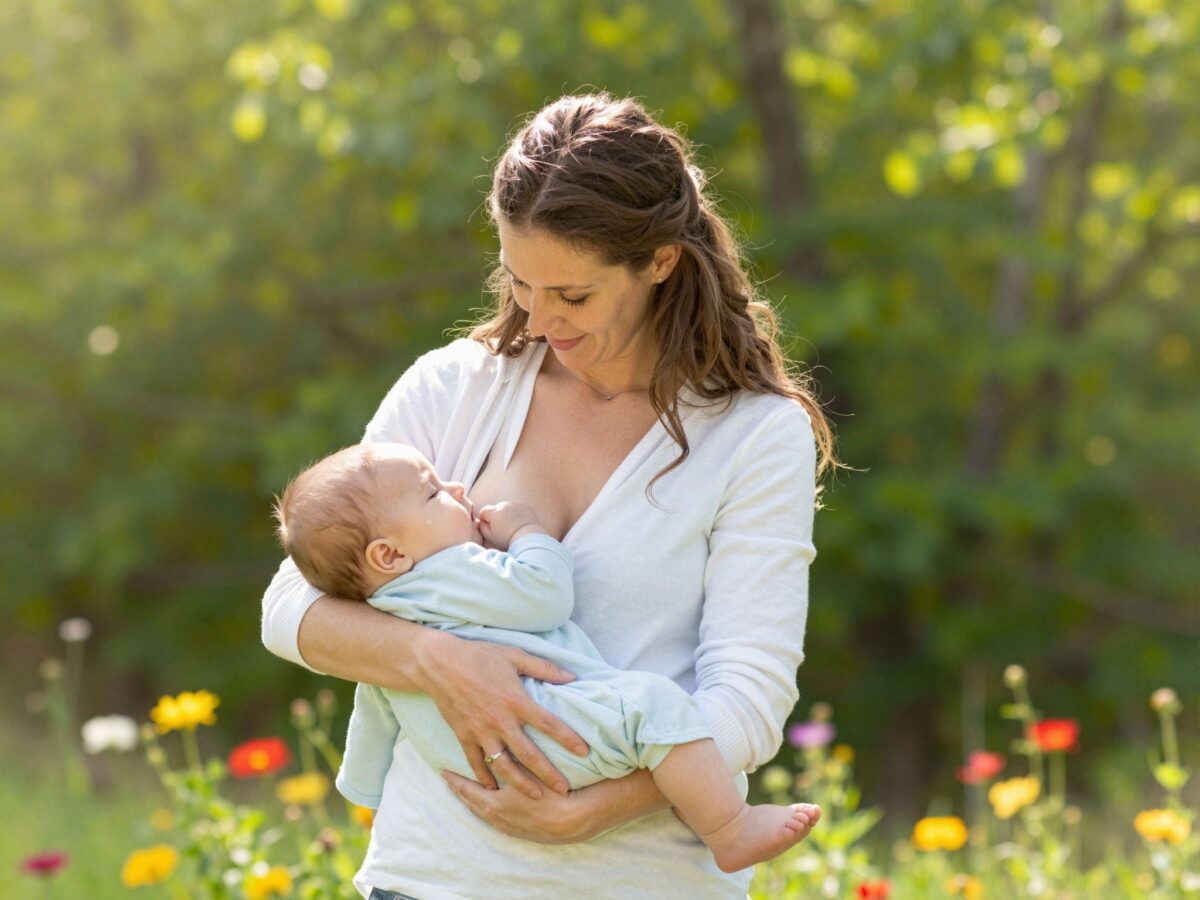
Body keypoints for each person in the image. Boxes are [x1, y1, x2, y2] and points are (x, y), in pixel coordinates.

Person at [260, 91, 837, 899]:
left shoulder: (753, 433)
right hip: (431, 880)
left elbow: (749, 693)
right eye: (521, 283)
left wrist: (601, 807)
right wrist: (442, 662)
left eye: (574, 296)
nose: (540, 320)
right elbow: (290, 607)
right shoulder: (452, 388)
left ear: (660, 262)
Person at [273, 441, 821, 875]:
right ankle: (728, 829)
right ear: (390, 554)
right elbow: (543, 594)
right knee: (655, 707)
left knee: (654, 726)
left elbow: (372, 713)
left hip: (484, 771)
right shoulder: (454, 569)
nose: (457, 488)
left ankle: (702, 803)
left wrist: (363, 789)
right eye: (434, 493)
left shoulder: (381, 615)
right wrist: (525, 532)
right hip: (553, 736)